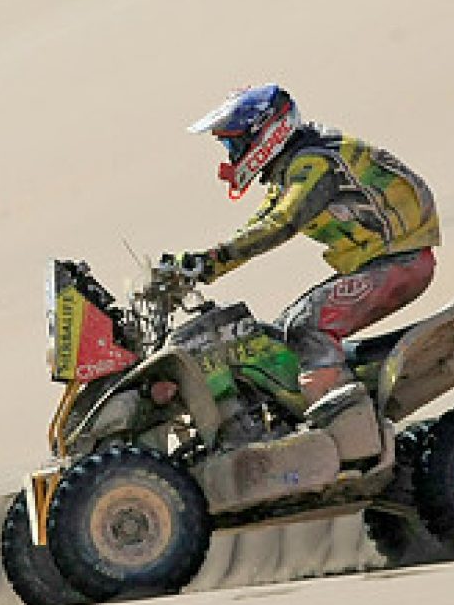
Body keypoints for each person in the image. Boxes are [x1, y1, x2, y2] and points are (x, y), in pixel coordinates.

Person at [179, 83, 440, 410]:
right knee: (278, 335)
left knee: (307, 324)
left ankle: (342, 418)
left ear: (264, 133)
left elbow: (281, 223)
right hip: (381, 262)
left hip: (401, 262)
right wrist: (202, 266)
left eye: (234, 143)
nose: (232, 155)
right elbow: (257, 227)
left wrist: (211, 260)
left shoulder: (314, 163)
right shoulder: (293, 166)